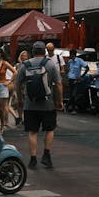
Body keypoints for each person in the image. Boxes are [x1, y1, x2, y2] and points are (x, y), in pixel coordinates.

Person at [15, 41, 63, 169]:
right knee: (49, 129)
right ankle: (46, 155)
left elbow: (17, 84)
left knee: (32, 131)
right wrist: (59, 101)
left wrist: (20, 99)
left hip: (30, 104)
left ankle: (33, 158)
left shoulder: (25, 65)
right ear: (44, 52)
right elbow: (58, 84)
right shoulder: (50, 64)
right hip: (48, 103)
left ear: (33, 52)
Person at [66, 48, 89, 114]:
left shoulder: (79, 61)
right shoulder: (70, 61)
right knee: (71, 95)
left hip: (76, 80)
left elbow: (87, 68)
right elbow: (69, 70)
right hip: (70, 79)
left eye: (70, 54)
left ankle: (73, 109)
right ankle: (68, 106)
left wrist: (81, 77)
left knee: (73, 94)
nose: (70, 56)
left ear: (73, 54)